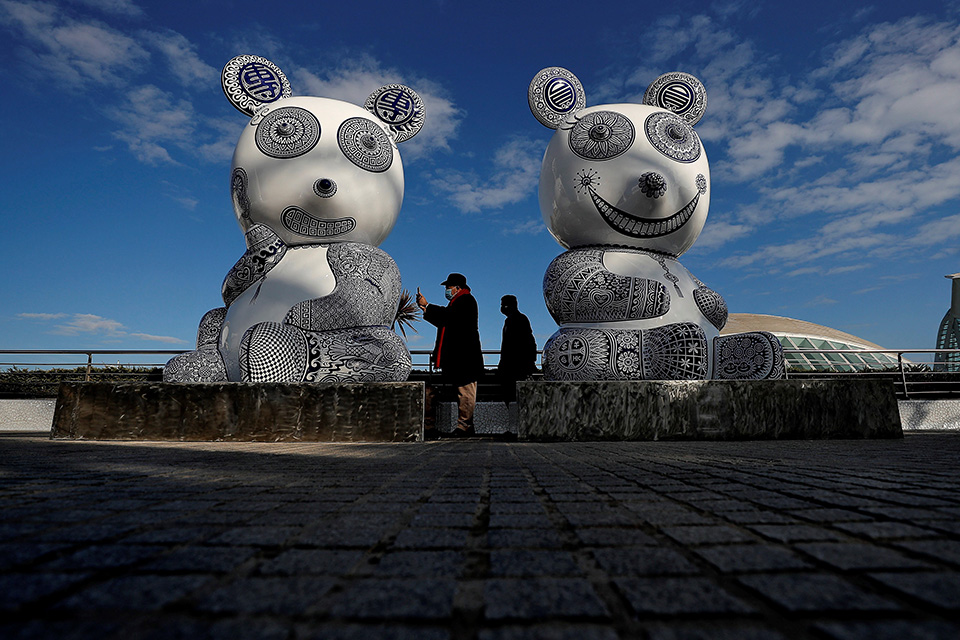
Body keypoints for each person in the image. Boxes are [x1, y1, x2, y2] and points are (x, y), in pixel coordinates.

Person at [416, 273, 484, 437]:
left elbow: (448, 317)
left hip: (465, 358)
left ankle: (465, 427)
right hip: (459, 359)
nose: (446, 290)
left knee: (465, 392)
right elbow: (445, 319)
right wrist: (426, 309)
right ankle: (462, 426)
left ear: (458, 288)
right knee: (462, 391)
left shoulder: (466, 301)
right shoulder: (458, 302)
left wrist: (428, 306)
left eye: (448, 287)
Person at [496, 295, 538, 404]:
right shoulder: (512, 320)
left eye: (503, 304)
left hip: (516, 366)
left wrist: (528, 363)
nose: (501, 307)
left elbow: (527, 341)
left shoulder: (518, 319)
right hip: (512, 365)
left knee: (513, 396)